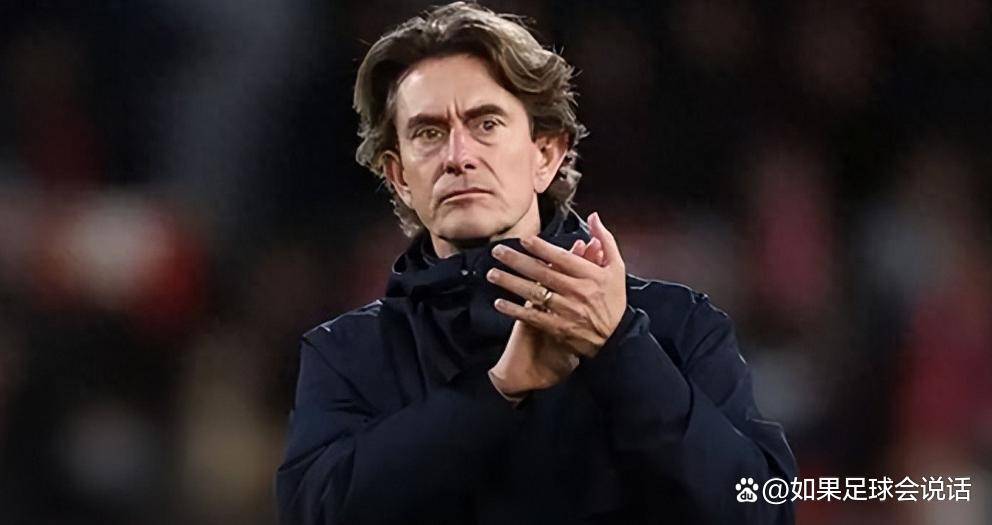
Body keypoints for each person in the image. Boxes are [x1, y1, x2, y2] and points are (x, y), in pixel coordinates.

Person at [275, 2, 797, 524]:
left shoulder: (677, 326)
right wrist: (495, 391)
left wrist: (619, 347)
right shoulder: (347, 355)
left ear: (545, 155)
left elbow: (760, 508)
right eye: (429, 133)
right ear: (399, 177)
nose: (457, 156)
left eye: (486, 123)